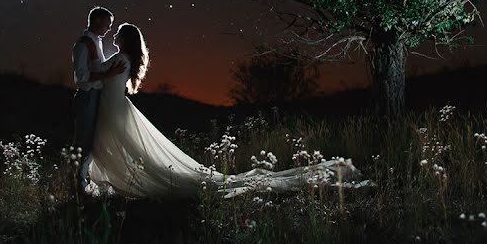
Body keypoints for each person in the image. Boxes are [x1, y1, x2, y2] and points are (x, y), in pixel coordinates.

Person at [88, 23, 371, 198]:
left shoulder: (119, 57)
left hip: (114, 108)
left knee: (129, 149)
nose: (114, 36)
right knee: (128, 148)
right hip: (116, 107)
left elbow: (95, 72)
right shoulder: (126, 58)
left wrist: (91, 45)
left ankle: (108, 182)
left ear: (125, 40)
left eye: (117, 34)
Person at [71, 6, 126, 192]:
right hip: (87, 96)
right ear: (96, 21)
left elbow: (97, 69)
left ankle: (83, 180)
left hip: (95, 96)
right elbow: (82, 77)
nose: (109, 29)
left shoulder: (97, 42)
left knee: (92, 139)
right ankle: (77, 184)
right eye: (107, 24)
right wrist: (110, 73)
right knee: (83, 139)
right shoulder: (83, 44)